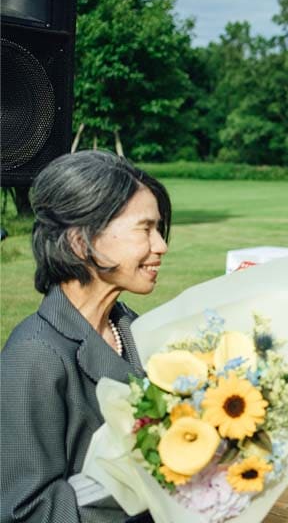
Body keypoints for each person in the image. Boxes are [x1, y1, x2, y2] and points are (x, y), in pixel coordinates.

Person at [1, 151, 171, 523]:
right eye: (145, 229)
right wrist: (143, 483)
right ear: (81, 242)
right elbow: (24, 509)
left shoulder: (133, 327)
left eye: (158, 229)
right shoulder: (34, 355)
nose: (161, 245)